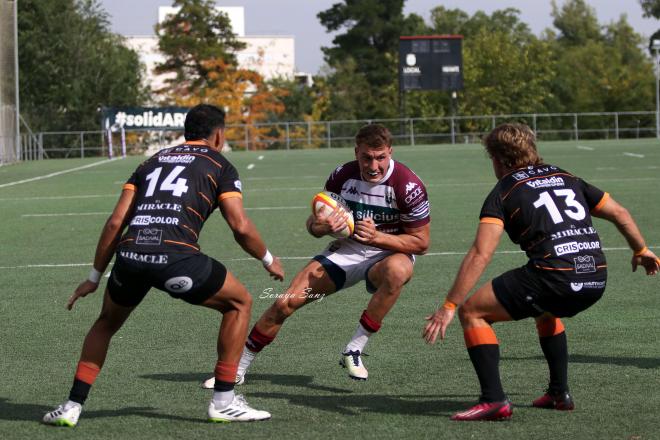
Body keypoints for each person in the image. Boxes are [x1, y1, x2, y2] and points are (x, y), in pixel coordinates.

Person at [43, 104, 284, 427]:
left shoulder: (150, 161)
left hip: (130, 257)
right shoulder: (219, 163)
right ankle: (224, 402)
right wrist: (268, 259)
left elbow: (116, 222)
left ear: (186, 131)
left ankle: (72, 405)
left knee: (105, 324)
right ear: (218, 134)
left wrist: (94, 276)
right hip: (175, 259)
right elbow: (240, 226)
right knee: (240, 303)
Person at [423, 123, 659, 421]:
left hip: (555, 277)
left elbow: (481, 253)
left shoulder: (505, 191)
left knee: (472, 312)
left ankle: (493, 400)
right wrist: (641, 250)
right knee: (545, 309)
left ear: (498, 159)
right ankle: (559, 393)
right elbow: (620, 213)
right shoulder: (567, 177)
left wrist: (449, 305)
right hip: (596, 277)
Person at [201, 123, 430, 388]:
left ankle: (354, 349)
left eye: (381, 157)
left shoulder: (407, 185)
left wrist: (378, 237)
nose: (374, 165)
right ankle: (237, 370)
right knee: (284, 304)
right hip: (347, 250)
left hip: (389, 253)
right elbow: (313, 226)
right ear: (357, 152)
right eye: (367, 157)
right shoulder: (342, 176)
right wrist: (324, 227)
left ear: (390, 152)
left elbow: (421, 243)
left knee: (399, 271)